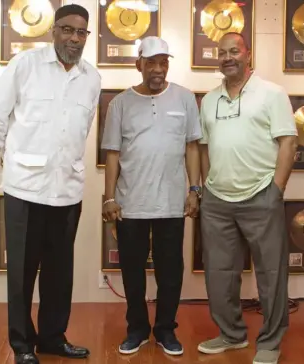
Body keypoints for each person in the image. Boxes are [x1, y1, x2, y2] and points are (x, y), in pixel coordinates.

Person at [0, 4, 101, 364]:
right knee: (21, 273)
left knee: (58, 273)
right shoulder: (25, 66)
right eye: (67, 30)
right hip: (25, 190)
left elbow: (80, 131)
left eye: (81, 32)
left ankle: (52, 338)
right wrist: (14, 158)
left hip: (67, 191)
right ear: (53, 30)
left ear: (87, 36)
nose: (74, 38)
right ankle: (22, 345)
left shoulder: (91, 78)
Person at [197, 32, 298, 364]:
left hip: (261, 195)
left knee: (271, 273)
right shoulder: (209, 100)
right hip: (217, 201)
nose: (228, 57)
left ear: (247, 54)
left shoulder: (272, 94)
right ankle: (231, 335)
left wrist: (276, 190)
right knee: (219, 272)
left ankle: (270, 342)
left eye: (234, 51)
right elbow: (204, 147)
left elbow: (288, 144)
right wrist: (207, 185)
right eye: (222, 52)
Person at [101, 36, 202, 356]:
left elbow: (192, 147)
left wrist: (194, 189)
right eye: (151, 63)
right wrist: (109, 198)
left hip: (172, 203)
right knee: (132, 271)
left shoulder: (185, 99)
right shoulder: (120, 104)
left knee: (170, 271)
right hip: (131, 203)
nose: (158, 70)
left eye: (164, 63)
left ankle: (165, 330)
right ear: (138, 65)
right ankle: (137, 329)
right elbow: (113, 154)